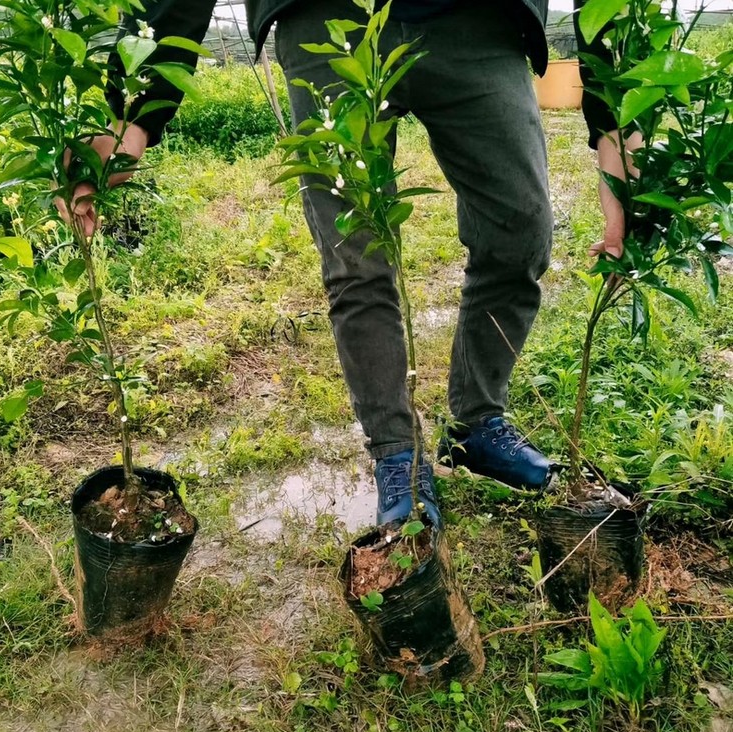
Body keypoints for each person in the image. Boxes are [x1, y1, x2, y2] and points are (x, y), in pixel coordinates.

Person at [61, 0, 629, 530]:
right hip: (330, 19)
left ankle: (476, 424)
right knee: (355, 259)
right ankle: (398, 456)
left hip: (479, 18)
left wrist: (616, 122)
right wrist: (131, 115)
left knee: (520, 233)